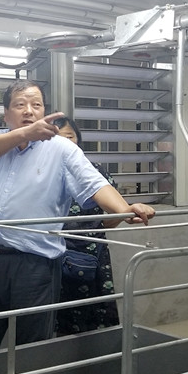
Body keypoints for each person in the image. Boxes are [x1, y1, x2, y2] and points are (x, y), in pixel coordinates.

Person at [0, 79, 155, 354]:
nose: (29, 111)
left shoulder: (61, 148)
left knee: (31, 349)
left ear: (44, 111)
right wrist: (24, 134)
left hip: (34, 265)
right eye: (20, 105)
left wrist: (125, 209)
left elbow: (95, 184)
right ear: (6, 114)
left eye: (36, 105)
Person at [53, 117, 120, 335]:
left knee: (97, 311)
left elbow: (115, 214)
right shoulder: (45, 174)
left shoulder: (95, 171)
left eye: (70, 137)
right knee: (58, 314)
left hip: (93, 253)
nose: (66, 143)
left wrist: (97, 228)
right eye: (58, 138)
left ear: (78, 139)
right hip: (55, 252)